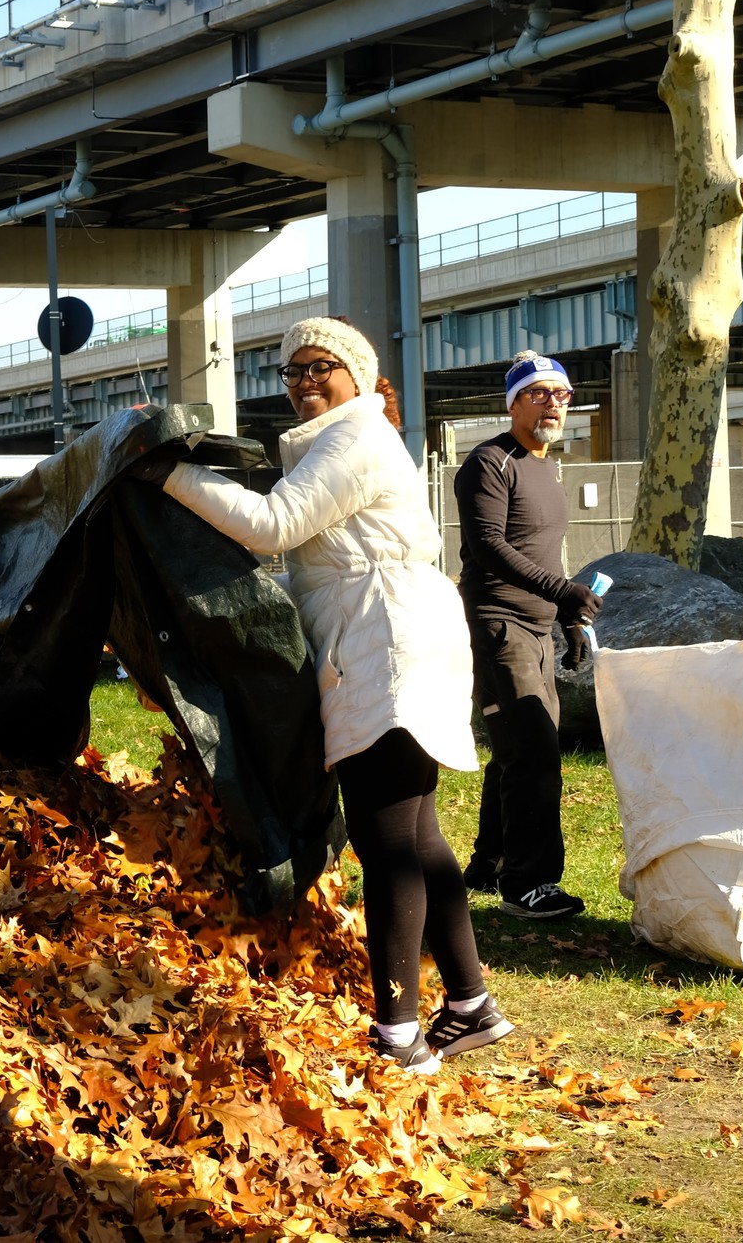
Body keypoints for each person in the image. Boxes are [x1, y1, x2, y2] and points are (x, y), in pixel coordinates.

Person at [150, 316, 514, 1074]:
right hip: (399, 629)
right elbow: (311, 560)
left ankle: (397, 1036)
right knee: (417, 833)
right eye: (291, 371)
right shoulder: (344, 442)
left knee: (386, 840)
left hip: (384, 638)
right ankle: (471, 1005)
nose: (304, 381)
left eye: (321, 366)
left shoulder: (356, 439)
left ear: (357, 374)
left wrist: (165, 474)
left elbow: (273, 526)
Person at [452, 351, 603, 921]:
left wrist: (566, 617)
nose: (552, 404)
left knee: (519, 751)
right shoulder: (489, 463)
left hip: (538, 627)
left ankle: (491, 865)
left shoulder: (545, 465)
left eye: (561, 395)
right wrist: (561, 589)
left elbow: (541, 548)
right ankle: (529, 884)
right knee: (534, 755)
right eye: (538, 393)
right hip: (498, 624)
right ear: (512, 402)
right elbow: (489, 544)